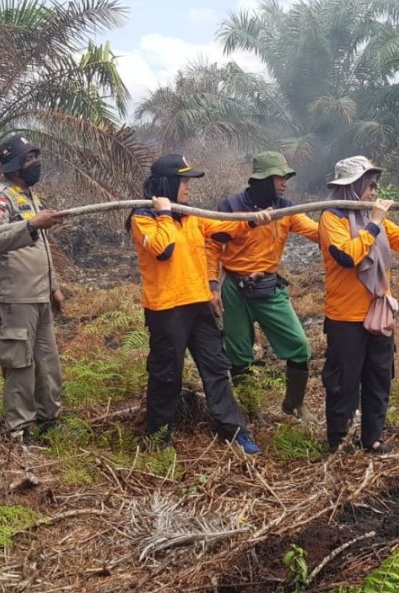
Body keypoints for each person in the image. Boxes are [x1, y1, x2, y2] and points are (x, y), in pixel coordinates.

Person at [127, 154, 272, 454]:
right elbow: (162, 249)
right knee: (166, 374)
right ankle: (159, 438)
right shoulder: (142, 218)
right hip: (166, 309)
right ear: (166, 183)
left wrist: (249, 222)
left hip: (199, 305)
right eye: (183, 181)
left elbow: (224, 228)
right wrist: (165, 214)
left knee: (217, 368)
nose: (188, 187)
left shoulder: (192, 216)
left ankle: (235, 431)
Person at [320, 156, 399, 453]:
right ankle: (339, 441)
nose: (374, 192)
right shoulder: (332, 219)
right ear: (352, 187)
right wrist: (375, 224)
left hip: (380, 312)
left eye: (375, 185)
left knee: (379, 377)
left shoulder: (371, 217)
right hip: (346, 318)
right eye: (369, 185)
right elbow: (346, 256)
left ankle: (372, 438)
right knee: (344, 382)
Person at [206, 151, 319, 421]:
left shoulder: (286, 209)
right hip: (235, 288)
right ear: (264, 179)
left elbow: (317, 232)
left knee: (299, 346)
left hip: (269, 288)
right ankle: (249, 409)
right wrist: (212, 285)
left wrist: (345, 227)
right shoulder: (232, 206)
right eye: (279, 178)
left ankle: (295, 404)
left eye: (285, 178)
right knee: (238, 355)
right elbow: (212, 244)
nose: (284, 183)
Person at [0, 134, 64, 444]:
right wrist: (31, 225)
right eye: (29, 160)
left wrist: (54, 286)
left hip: (41, 294)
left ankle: (49, 419)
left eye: (35, 158)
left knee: (47, 362)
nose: (35, 164)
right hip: (15, 298)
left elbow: (41, 247)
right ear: (15, 165)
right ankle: (19, 428)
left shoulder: (30, 196)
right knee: (20, 364)